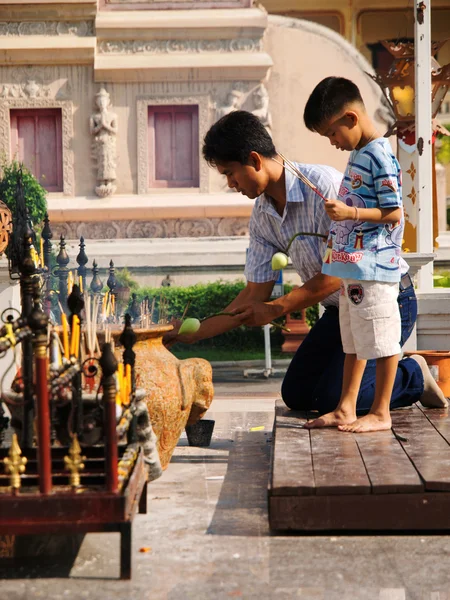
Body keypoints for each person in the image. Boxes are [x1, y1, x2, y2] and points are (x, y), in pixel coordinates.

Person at [164, 110, 446, 415]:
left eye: (230, 173)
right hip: (341, 310)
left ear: (255, 160)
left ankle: (413, 376)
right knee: (297, 394)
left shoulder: (325, 187)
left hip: (387, 300)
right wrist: (191, 333)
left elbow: (341, 271)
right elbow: (253, 296)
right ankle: (390, 380)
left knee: (329, 399)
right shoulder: (262, 216)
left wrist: (276, 308)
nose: (231, 183)